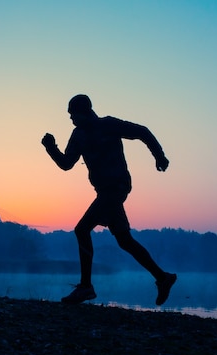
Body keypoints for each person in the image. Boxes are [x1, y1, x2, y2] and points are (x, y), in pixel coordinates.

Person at [41, 94, 177, 305]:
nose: (71, 119)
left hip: (116, 189)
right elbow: (67, 163)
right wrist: (51, 147)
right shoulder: (79, 135)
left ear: (83, 111)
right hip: (105, 192)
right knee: (124, 240)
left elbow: (142, 132)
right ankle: (163, 278)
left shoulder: (109, 125)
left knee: (82, 229)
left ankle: (86, 287)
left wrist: (159, 155)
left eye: (72, 114)